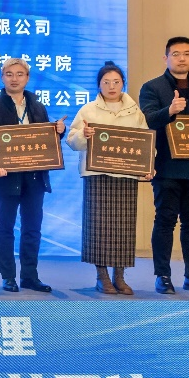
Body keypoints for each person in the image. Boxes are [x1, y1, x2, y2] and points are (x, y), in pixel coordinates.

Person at [139, 36, 189, 294]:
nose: (182, 58)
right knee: (165, 220)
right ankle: (162, 275)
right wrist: (170, 110)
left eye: (187, 53)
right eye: (176, 54)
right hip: (167, 167)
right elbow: (147, 122)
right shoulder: (151, 87)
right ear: (166, 58)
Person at [0, 57, 67, 293]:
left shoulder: (37, 106)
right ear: (2, 78)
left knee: (32, 228)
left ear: (27, 78)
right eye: (9, 74)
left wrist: (58, 131)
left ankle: (30, 276)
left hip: (34, 177)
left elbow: (43, 140)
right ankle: (8, 276)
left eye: (19, 74)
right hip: (5, 177)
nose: (14, 79)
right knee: (4, 227)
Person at [66, 62, 152, 295]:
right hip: (97, 176)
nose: (111, 86)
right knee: (99, 228)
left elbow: (146, 141)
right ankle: (102, 277)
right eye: (106, 82)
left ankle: (120, 277)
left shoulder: (135, 111)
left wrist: (148, 165)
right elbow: (72, 141)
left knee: (123, 228)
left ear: (123, 83)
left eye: (116, 82)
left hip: (125, 175)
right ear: (99, 85)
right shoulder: (88, 110)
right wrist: (83, 134)